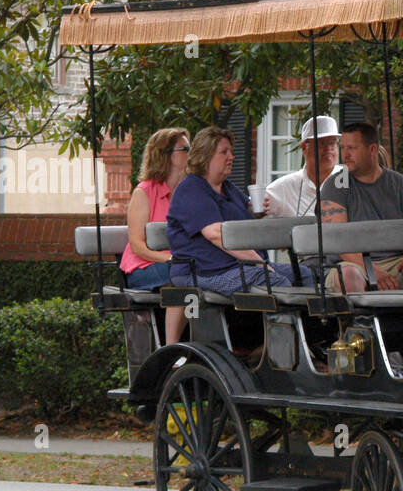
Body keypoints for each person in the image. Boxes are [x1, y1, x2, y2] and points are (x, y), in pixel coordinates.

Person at [167, 126, 308, 296]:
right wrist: (260, 263)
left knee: (305, 275)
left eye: (231, 151)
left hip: (236, 266)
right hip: (203, 272)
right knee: (276, 282)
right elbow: (217, 234)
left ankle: (312, 323)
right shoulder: (191, 189)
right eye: (224, 152)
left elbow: (246, 211)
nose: (231, 157)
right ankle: (277, 323)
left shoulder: (227, 187)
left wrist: (256, 213)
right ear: (206, 155)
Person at [319, 122, 403, 292]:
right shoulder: (336, 184)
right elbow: (339, 244)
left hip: (397, 262)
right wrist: (375, 272)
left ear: (372, 149)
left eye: (352, 148)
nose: (345, 154)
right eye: (343, 148)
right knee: (348, 276)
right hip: (353, 264)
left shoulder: (400, 183)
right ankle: (362, 320)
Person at [120, 127, 189, 343]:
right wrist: (170, 259)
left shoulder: (189, 191)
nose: (191, 153)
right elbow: (138, 246)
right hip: (143, 266)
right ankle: (173, 348)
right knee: (182, 277)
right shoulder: (144, 192)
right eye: (185, 149)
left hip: (178, 264)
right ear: (165, 155)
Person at [263, 115, 343, 218]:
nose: (328, 148)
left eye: (332, 143)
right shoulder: (282, 189)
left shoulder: (350, 181)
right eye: (322, 143)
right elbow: (257, 216)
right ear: (305, 147)